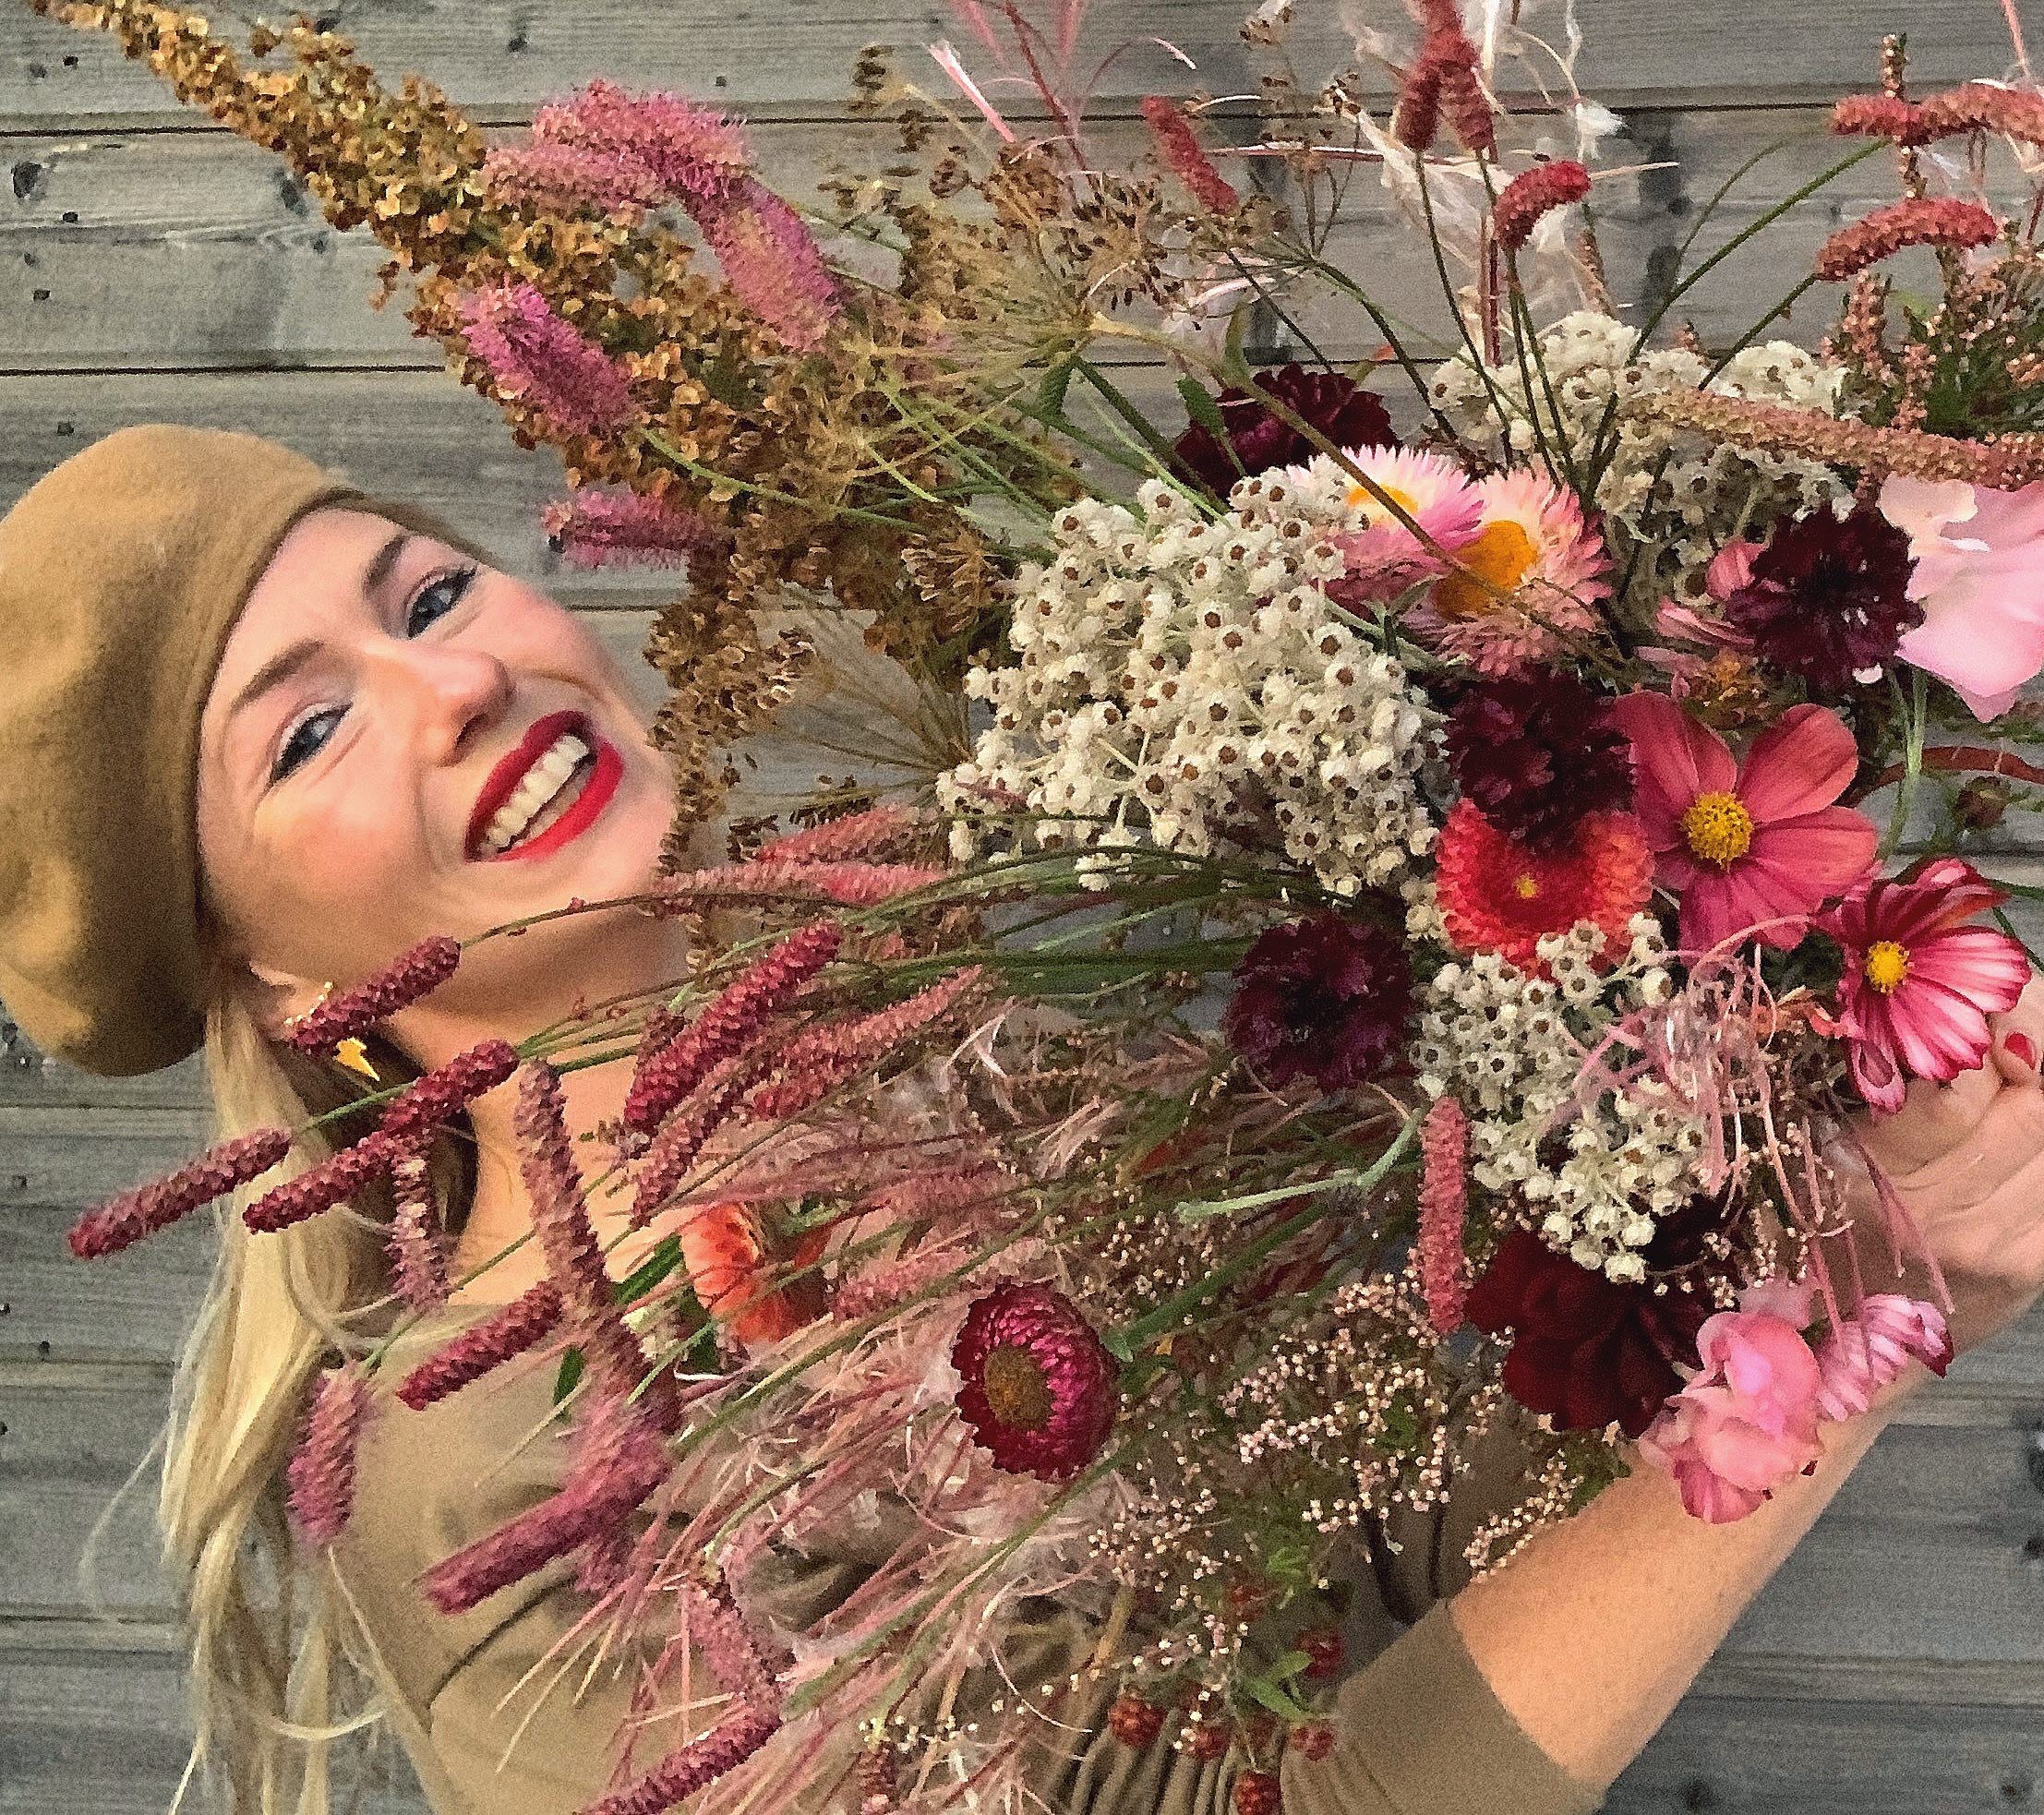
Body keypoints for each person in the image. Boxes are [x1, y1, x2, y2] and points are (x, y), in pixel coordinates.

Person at [2, 424, 2041, 1815]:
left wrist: (1825, 1184)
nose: (442, 681)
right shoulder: (487, 1479)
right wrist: (1841, 1338)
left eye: (429, 597)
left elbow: (1424, 1510)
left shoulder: (968, 1031)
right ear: (276, 974)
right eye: (311, 722)